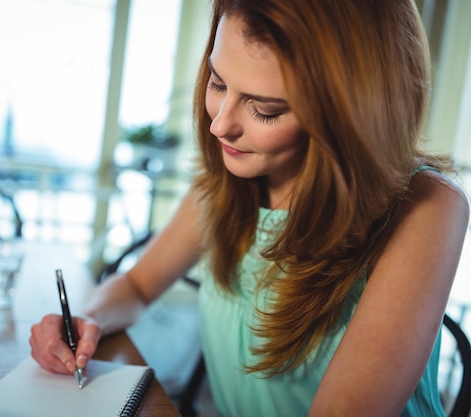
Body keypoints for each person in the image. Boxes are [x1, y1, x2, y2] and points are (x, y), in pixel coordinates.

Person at [30, 0, 470, 415]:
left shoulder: (428, 207)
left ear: (349, 114)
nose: (220, 125)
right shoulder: (230, 182)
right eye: (218, 82)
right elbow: (138, 288)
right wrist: (86, 318)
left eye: (264, 109)